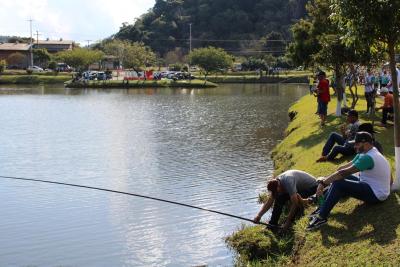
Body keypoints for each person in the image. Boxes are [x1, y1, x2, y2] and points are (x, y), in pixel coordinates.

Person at [307, 132, 392, 230]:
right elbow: (343, 168)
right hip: (369, 184)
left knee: (339, 183)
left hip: (377, 194)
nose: (354, 146)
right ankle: (321, 208)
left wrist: (323, 183)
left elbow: (344, 172)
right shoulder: (368, 151)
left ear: (366, 144)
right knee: (337, 180)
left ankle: (321, 217)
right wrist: (329, 178)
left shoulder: (368, 157)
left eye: (357, 144)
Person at [253, 170, 317, 232]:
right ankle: (272, 224)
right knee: (279, 198)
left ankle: (292, 221)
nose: (277, 193)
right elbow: (269, 201)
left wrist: (288, 222)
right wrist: (259, 215)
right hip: (299, 189)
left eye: (277, 191)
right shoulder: (276, 183)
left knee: (297, 199)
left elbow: (295, 203)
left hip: (312, 188)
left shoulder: (289, 182)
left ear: (279, 186)